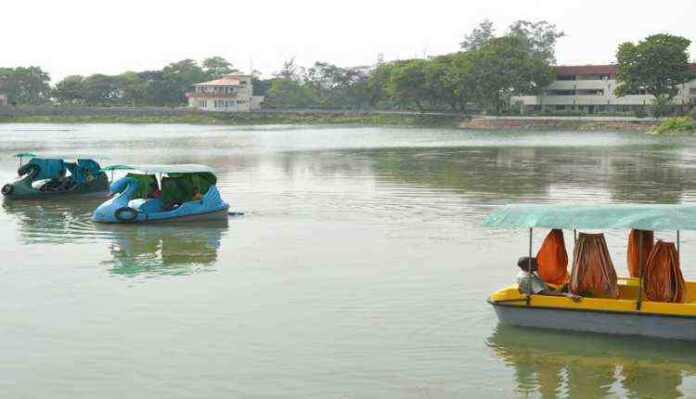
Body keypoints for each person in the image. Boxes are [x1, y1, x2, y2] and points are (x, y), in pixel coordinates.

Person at [517, 257, 582, 302]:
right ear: (527, 266)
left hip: (544, 293)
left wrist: (563, 286)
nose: (538, 265)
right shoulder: (529, 278)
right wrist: (566, 295)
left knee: (568, 285)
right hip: (544, 298)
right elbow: (546, 294)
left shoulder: (524, 273)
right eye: (535, 264)